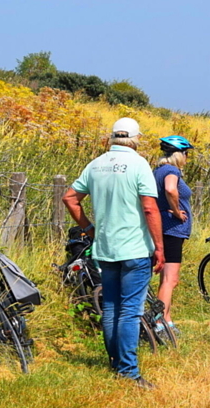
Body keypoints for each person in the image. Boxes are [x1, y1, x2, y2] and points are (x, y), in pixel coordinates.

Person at [63, 117, 164, 389]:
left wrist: (89, 228)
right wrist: (160, 247)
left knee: (111, 307)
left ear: (112, 137)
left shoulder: (96, 164)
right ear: (135, 138)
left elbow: (69, 198)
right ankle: (129, 371)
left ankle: (115, 363)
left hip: (105, 248)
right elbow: (150, 208)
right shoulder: (139, 164)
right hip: (135, 247)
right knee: (130, 311)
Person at [153, 135, 195, 336]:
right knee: (171, 279)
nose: (187, 158)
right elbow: (171, 190)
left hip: (164, 227)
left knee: (166, 279)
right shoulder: (171, 171)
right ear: (179, 154)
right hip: (171, 229)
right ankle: (158, 321)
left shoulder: (157, 171)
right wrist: (177, 211)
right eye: (186, 154)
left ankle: (166, 318)